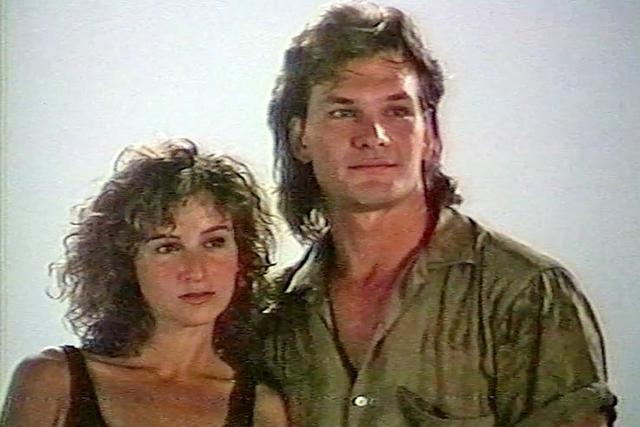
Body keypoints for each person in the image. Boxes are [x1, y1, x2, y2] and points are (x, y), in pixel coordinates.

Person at [261, 2, 616, 426]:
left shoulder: (524, 293)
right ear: (300, 138)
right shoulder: (273, 314)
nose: (373, 136)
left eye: (397, 111)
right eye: (344, 112)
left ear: (430, 135)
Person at [1, 140, 288, 426]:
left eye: (214, 242)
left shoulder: (260, 408)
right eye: (168, 247)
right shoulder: (51, 381)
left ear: (241, 255)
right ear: (125, 264)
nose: (196, 271)